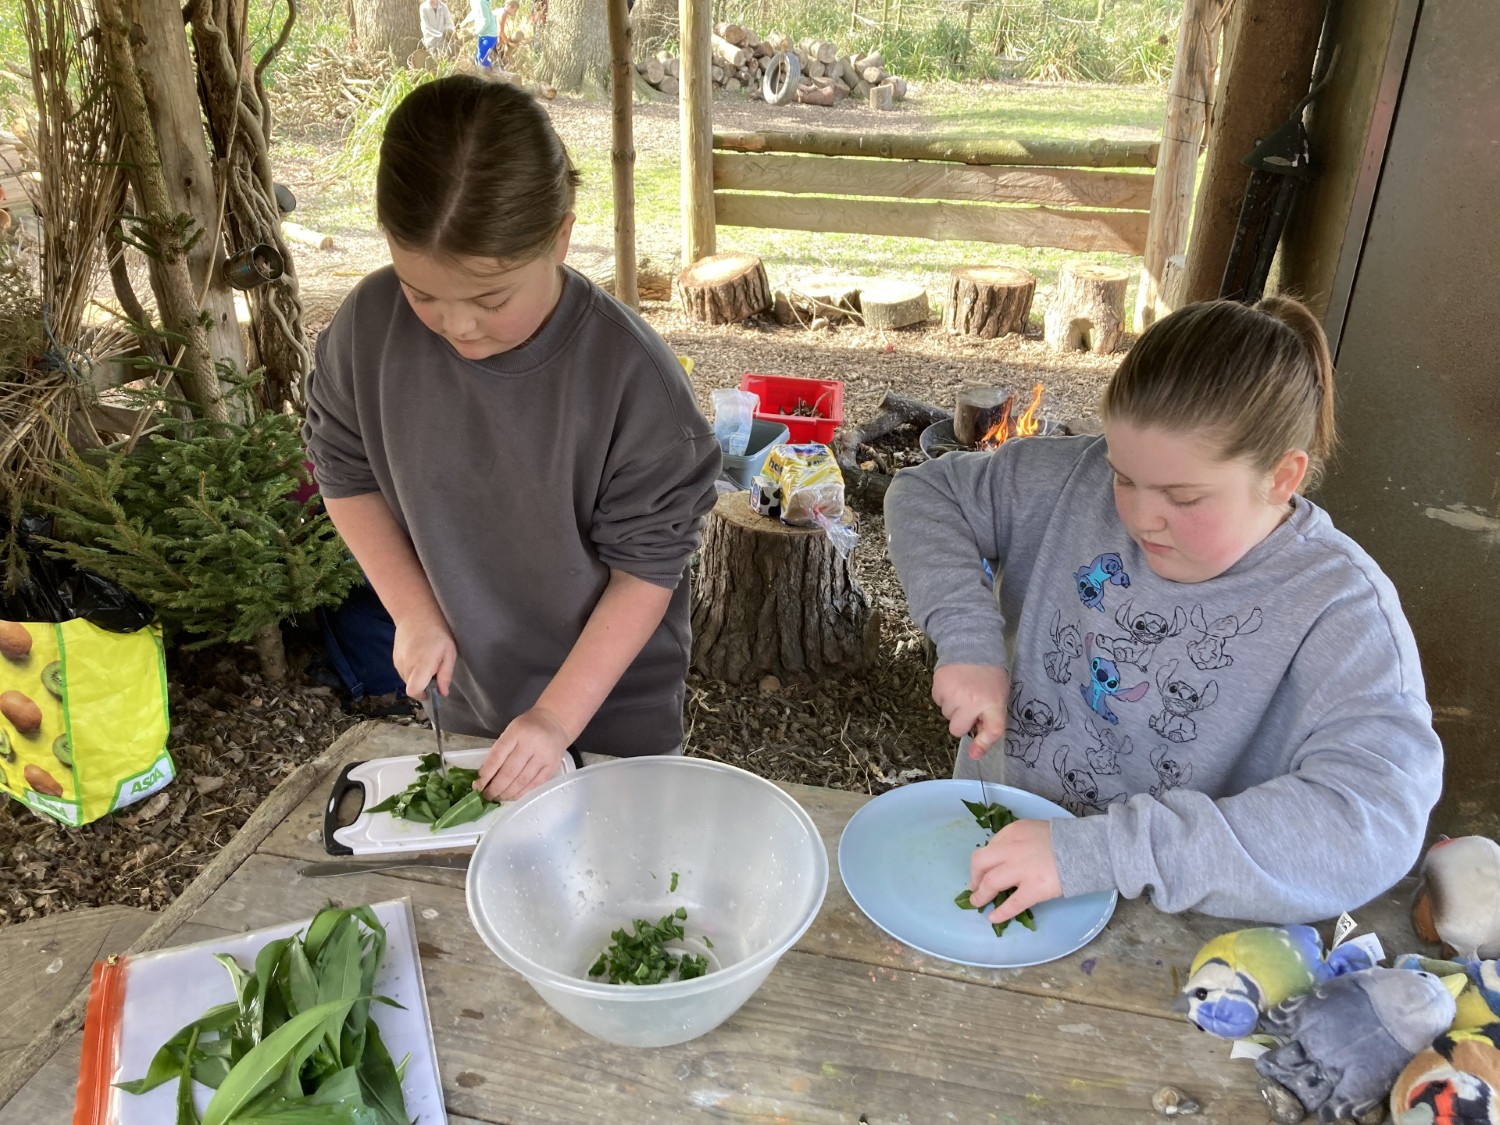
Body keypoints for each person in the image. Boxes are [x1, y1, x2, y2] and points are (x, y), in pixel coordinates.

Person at [884, 297, 1443, 927]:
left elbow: (1373, 819)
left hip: (1170, 930)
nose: (1140, 516)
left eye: (1183, 497)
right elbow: (927, 495)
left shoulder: (1339, 607)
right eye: (1123, 476)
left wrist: (1098, 852)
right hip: (993, 855)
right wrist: (968, 642)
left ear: (1283, 478)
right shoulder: (1071, 480)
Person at [304, 76, 721, 802]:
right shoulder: (366, 331)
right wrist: (414, 611)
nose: (457, 325)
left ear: (560, 235)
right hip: (466, 704)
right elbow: (344, 472)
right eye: (422, 292)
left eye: (491, 298)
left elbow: (643, 576)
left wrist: (555, 719)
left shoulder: (634, 386)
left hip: (609, 728)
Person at [466, 0, 499, 68]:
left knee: (481, 59)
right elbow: (473, 13)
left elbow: (486, 21)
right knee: (479, 59)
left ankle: (495, 73)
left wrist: (476, 32)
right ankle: (489, 72)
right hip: (482, 34)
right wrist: (463, 23)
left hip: (490, 35)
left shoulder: (482, 2)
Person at [495, 0, 520, 66]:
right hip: (490, 35)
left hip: (492, 35)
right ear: (509, 7)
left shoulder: (502, 12)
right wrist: (509, 43)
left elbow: (499, 30)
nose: (515, 13)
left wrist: (500, 42)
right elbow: (500, 31)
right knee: (500, 59)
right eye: (514, 10)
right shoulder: (503, 14)